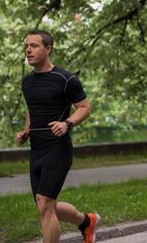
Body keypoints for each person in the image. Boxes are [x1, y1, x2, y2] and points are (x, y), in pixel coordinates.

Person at [15, 30, 100, 243]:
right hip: (37, 148)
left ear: (48, 49)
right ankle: (86, 221)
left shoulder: (66, 79)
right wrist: (26, 130)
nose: (28, 50)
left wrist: (67, 123)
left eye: (34, 46)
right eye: (27, 46)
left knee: (44, 203)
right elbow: (32, 109)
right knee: (44, 204)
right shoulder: (27, 82)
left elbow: (85, 107)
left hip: (58, 148)